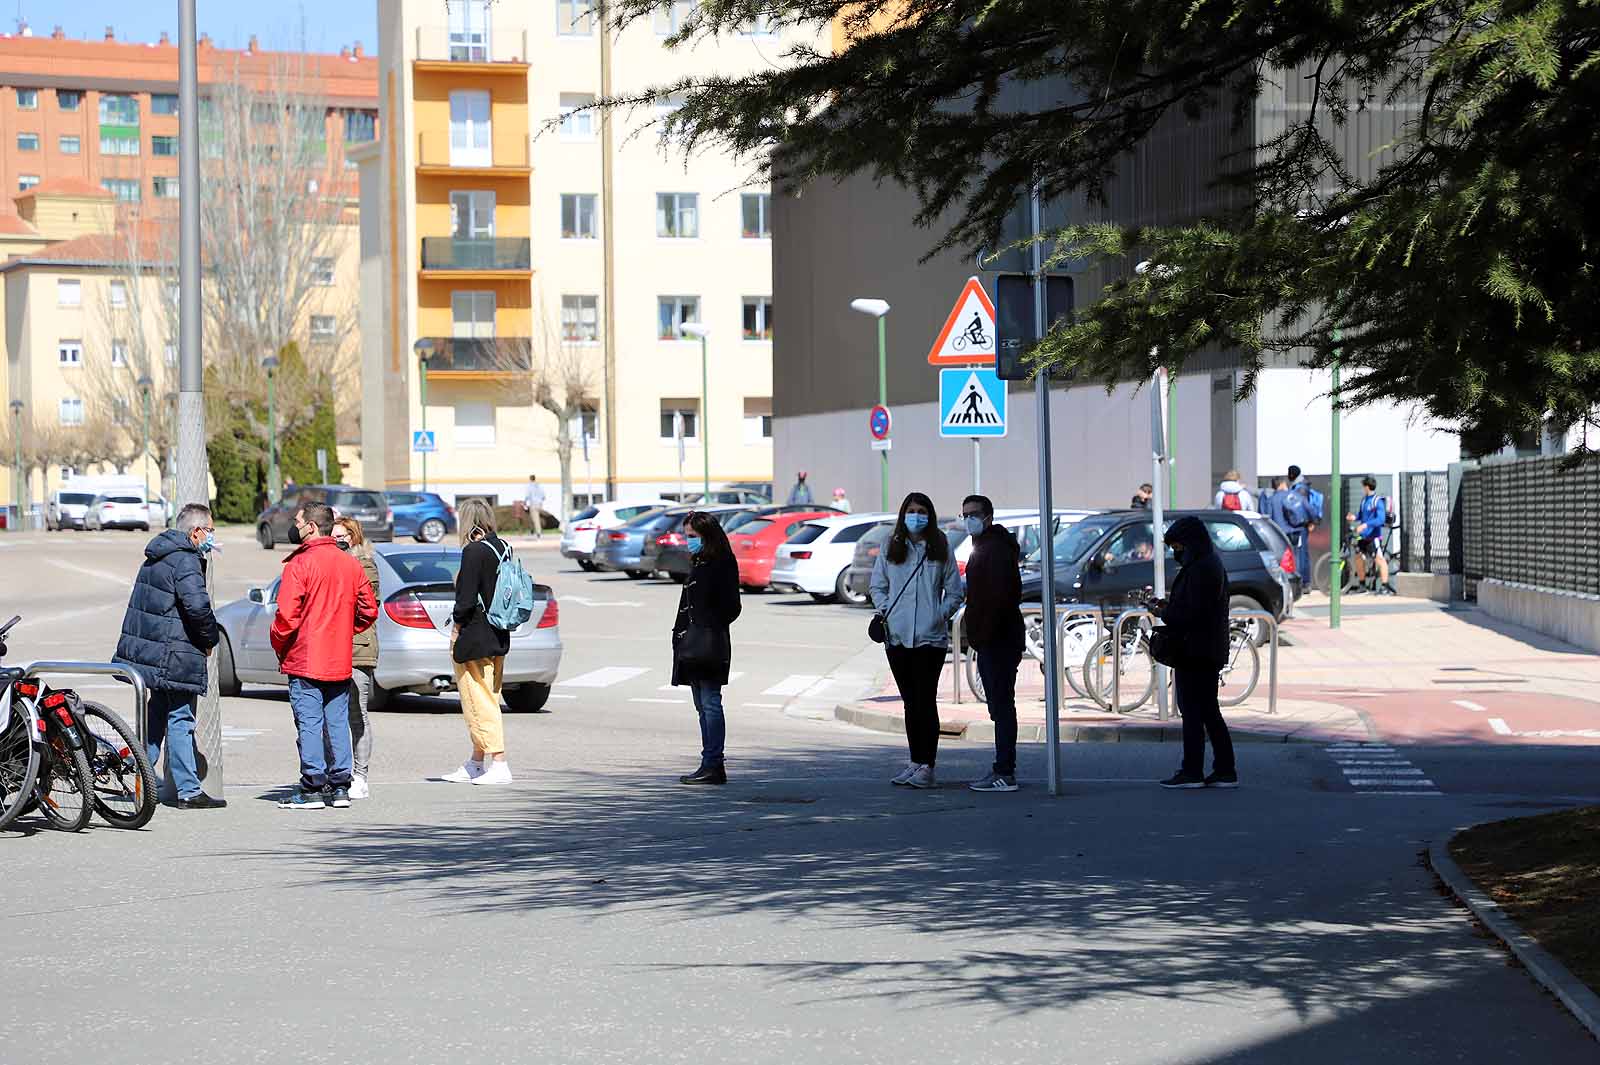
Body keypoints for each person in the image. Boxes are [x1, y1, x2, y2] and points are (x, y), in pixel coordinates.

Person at [113, 503, 226, 810]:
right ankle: (189, 790)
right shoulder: (186, 560)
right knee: (180, 718)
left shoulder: (156, 555)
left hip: (153, 653)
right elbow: (197, 607)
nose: (212, 538)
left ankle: (141, 781)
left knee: (157, 716)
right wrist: (210, 640)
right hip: (176, 653)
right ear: (197, 531)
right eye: (211, 531)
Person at [271, 502, 378, 810]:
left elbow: (286, 617)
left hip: (305, 657)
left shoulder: (300, 565)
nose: (295, 526)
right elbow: (369, 610)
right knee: (337, 722)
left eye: (298, 522)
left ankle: (313, 788)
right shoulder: (350, 563)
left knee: (309, 722)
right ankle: (341, 787)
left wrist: (279, 642)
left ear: (312, 527)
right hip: (338, 657)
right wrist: (345, 629)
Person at [870, 492, 963, 789]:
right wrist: (886, 611)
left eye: (921, 510)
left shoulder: (940, 545)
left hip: (929, 638)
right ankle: (915, 760)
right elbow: (878, 584)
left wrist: (939, 614)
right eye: (911, 510)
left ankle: (928, 766)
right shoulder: (890, 544)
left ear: (929, 514)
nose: (916, 515)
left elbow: (955, 591)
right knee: (910, 702)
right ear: (903, 513)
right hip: (897, 636)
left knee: (925, 700)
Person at [1150, 516, 1236, 789]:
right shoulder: (1207, 564)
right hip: (1205, 648)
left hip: (1196, 650)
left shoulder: (1201, 569)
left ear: (1189, 544)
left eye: (1177, 546)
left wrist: (1163, 610)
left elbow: (1188, 613)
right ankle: (1224, 770)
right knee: (1208, 710)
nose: (1175, 552)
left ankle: (1193, 770)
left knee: (1193, 711)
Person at [438, 498, 516, 785]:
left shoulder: (473, 552)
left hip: (475, 634)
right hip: (499, 630)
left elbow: (466, 599)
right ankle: (476, 762)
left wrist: (456, 628)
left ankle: (499, 761)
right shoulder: (503, 547)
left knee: (477, 701)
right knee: (488, 697)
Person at [671, 511, 743, 785]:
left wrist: (706, 626)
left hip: (709, 644)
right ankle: (709, 762)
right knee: (702, 705)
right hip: (692, 643)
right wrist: (680, 634)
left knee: (711, 703)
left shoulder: (721, 562)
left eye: (692, 536)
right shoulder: (699, 561)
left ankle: (713, 762)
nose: (688, 541)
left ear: (707, 535)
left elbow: (732, 607)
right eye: (687, 536)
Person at [959, 495, 1023, 793]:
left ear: (988, 516)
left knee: (1001, 705)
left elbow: (998, 599)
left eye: (973, 514)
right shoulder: (987, 546)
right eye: (965, 514)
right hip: (994, 638)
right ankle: (1002, 767)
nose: (969, 519)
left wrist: (982, 634)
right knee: (999, 706)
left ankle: (1004, 771)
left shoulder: (994, 549)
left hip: (999, 639)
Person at [333, 516, 379, 800]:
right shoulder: (336, 563)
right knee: (333, 713)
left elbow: (367, 605)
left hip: (358, 647)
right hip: (334, 646)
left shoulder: (364, 565)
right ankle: (338, 772)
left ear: (354, 537)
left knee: (356, 712)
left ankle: (360, 775)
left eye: (343, 537)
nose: (338, 541)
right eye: (334, 536)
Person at [1348, 476, 1396, 594]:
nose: (1363, 488)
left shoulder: (1377, 501)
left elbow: (1380, 519)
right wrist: (1354, 517)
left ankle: (1384, 586)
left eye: (1363, 486)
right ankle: (1362, 585)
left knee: (1379, 559)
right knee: (1358, 558)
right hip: (1363, 537)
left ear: (1367, 487)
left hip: (1373, 537)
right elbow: (1361, 515)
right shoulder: (1364, 500)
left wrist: (1365, 525)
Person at [1284, 464, 1315, 580]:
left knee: (1301, 554)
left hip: (1301, 525)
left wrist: (1310, 521)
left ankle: (1304, 581)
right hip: (1301, 524)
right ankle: (1304, 580)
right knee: (1300, 553)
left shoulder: (1300, 488)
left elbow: (1302, 507)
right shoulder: (1299, 486)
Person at [523, 475, 547, 540]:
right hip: (539, 504)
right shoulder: (539, 486)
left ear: (530, 479)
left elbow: (527, 495)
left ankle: (538, 533)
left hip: (533, 504)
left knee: (535, 519)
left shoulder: (529, 486)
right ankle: (533, 530)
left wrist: (524, 502)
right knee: (535, 518)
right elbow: (544, 496)